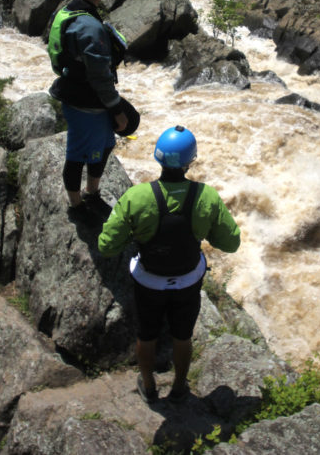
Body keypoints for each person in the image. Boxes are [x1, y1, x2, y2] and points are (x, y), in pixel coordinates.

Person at [98, 125, 240, 404]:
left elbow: (106, 246)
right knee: (182, 336)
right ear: (190, 162)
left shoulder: (136, 197)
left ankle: (149, 385)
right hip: (188, 279)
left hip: (149, 280)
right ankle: (178, 386)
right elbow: (231, 243)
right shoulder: (207, 197)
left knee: (146, 334)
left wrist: (135, 234)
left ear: (158, 158)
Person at [48, 0, 137, 217]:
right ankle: (76, 207)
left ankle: (92, 193)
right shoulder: (89, 26)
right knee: (77, 156)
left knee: (106, 145)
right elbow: (100, 76)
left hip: (73, 90)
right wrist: (117, 111)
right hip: (86, 102)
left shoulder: (67, 12)